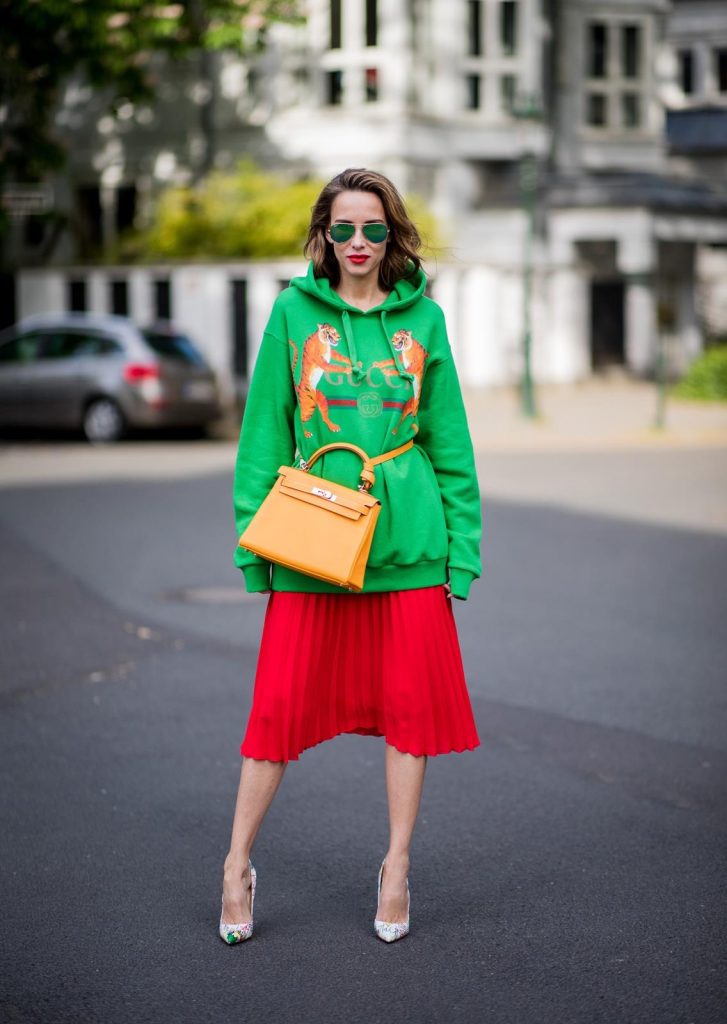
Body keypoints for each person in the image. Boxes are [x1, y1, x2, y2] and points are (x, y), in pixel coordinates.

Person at [220, 167, 481, 944]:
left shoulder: (425, 321)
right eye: (343, 229)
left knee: (409, 713)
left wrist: (460, 554)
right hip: (311, 540)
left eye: (373, 229)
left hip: (408, 545)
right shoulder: (293, 313)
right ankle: (235, 863)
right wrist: (252, 547)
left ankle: (396, 864)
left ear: (391, 234)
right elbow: (263, 434)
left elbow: (451, 444)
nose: (358, 243)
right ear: (323, 236)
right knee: (274, 713)